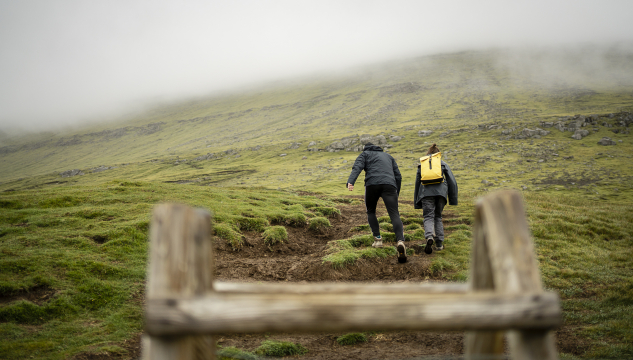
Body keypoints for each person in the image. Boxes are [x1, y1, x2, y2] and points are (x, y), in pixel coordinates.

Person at [347, 142, 407, 263]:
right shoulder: (388, 156)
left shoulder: (365, 154)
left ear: (366, 149)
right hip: (389, 186)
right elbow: (398, 176)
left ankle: (378, 240)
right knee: (394, 213)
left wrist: (351, 181)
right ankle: (400, 241)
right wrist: (396, 192)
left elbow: (357, 167)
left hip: (372, 184)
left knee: (371, 211)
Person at [414, 143, 458, 254]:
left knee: (428, 216)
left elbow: (417, 184)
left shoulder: (422, 164)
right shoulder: (442, 164)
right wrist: (453, 199)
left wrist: (416, 202)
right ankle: (439, 244)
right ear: (437, 154)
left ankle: (429, 236)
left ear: (428, 154)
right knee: (438, 216)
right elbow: (452, 182)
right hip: (441, 194)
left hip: (426, 194)